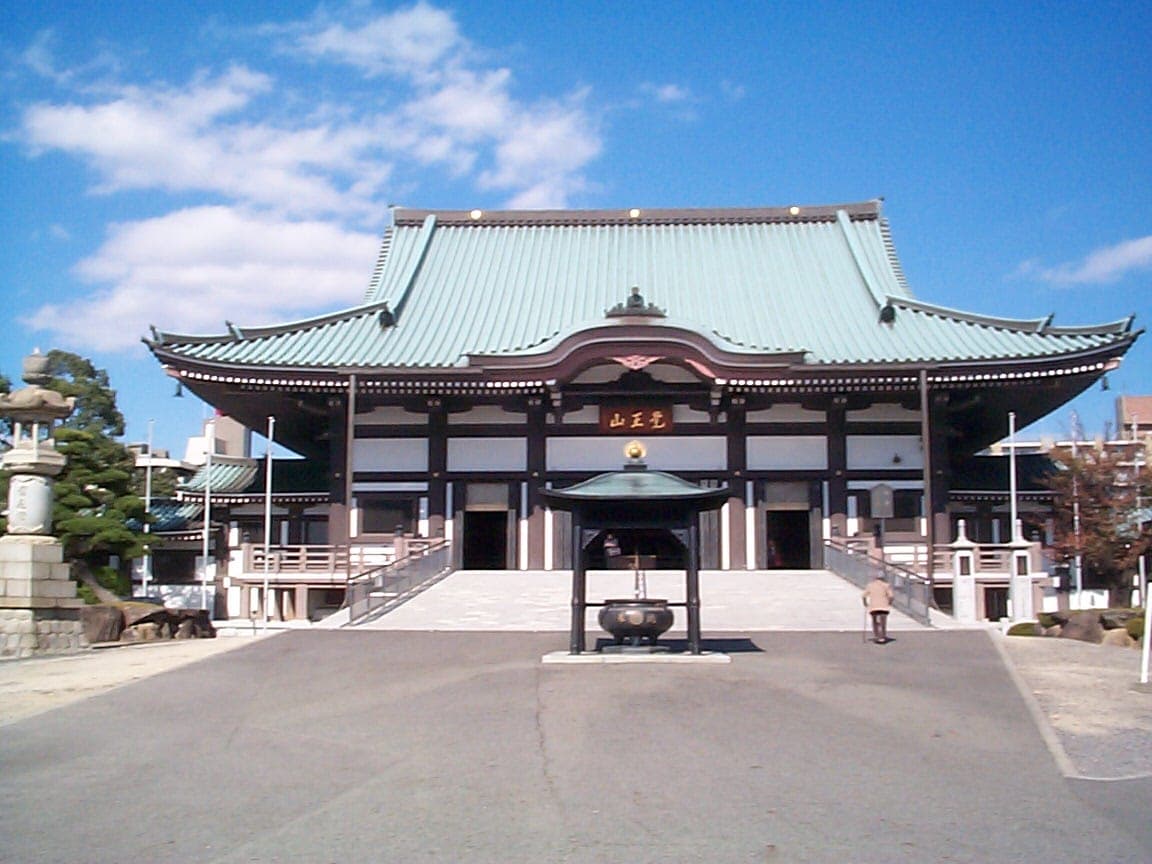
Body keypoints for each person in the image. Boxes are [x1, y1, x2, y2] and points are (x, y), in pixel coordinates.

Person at [862, 573, 895, 643]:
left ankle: (876, 635)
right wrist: (889, 603)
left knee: (874, 621)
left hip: (873, 607)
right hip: (884, 607)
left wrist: (865, 603)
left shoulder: (870, 585)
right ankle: (882, 636)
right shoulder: (886, 585)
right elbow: (891, 596)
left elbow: (863, 596)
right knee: (883, 622)